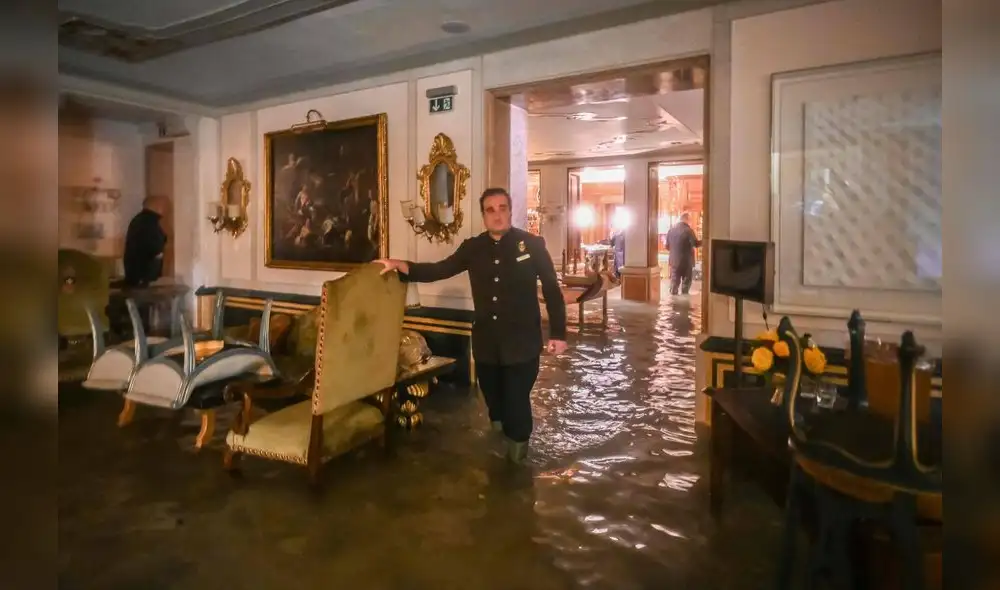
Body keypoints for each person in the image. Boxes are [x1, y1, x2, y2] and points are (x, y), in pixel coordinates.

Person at [377, 187, 568, 464]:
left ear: (511, 211)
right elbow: (440, 269)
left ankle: (516, 467)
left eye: (502, 208)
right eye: (490, 210)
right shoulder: (473, 247)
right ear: (483, 216)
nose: (497, 215)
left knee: (517, 402)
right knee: (494, 400)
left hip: (522, 343)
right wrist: (402, 266)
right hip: (487, 343)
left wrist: (559, 334)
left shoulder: (532, 245)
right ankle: (499, 442)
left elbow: (551, 289)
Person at [123, 196, 168, 287]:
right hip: (143, 275)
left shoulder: (140, 220)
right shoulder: (148, 222)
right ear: (157, 206)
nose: (166, 210)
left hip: (138, 273)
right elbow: (154, 245)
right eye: (164, 206)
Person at [665, 212, 702, 295]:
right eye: (690, 220)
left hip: (674, 261)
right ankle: (684, 303)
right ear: (687, 219)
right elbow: (695, 244)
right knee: (686, 283)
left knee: (674, 282)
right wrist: (705, 241)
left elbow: (667, 246)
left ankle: (673, 302)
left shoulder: (671, 230)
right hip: (686, 261)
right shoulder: (688, 230)